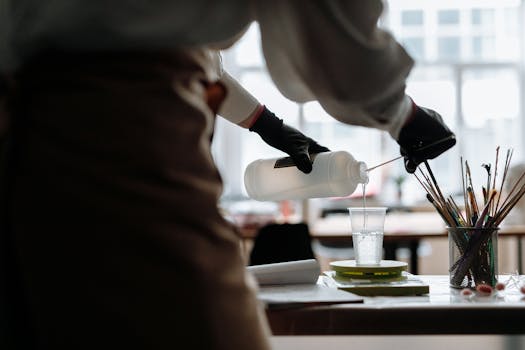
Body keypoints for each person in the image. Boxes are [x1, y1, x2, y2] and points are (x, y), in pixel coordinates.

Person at [0, 1, 455, 349]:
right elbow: (334, 38)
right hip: (113, 124)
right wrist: (403, 114)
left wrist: (269, 126)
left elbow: (158, 31)